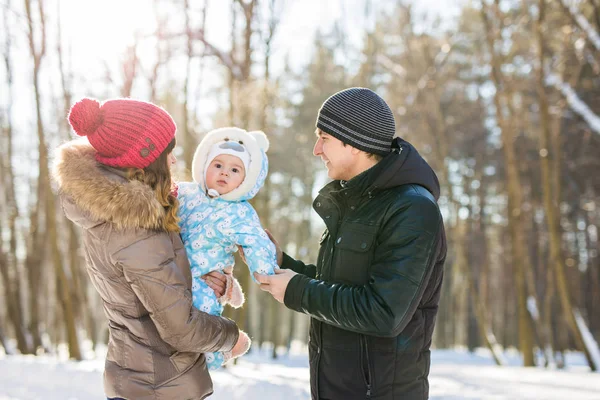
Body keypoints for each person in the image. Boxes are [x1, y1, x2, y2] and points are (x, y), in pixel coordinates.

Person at [253, 87, 447, 400]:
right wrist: (282, 264)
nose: (317, 149)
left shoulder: (412, 209)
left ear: (354, 143)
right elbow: (339, 284)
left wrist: (296, 290)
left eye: (324, 137)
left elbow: (384, 312)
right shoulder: (353, 201)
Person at [53, 97, 244, 400]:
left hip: (136, 379)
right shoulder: (136, 227)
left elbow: (149, 298)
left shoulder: (112, 216)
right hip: (161, 386)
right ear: (146, 158)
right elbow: (180, 328)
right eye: (169, 152)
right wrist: (231, 336)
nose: (174, 161)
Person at [176, 127, 278, 370]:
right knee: (175, 320)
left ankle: (215, 356)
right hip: (174, 273)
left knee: (203, 316)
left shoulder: (239, 212)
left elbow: (256, 241)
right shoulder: (186, 193)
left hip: (206, 279)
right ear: (203, 165)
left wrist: (265, 272)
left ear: (247, 179)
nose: (224, 173)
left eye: (235, 170)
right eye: (217, 165)